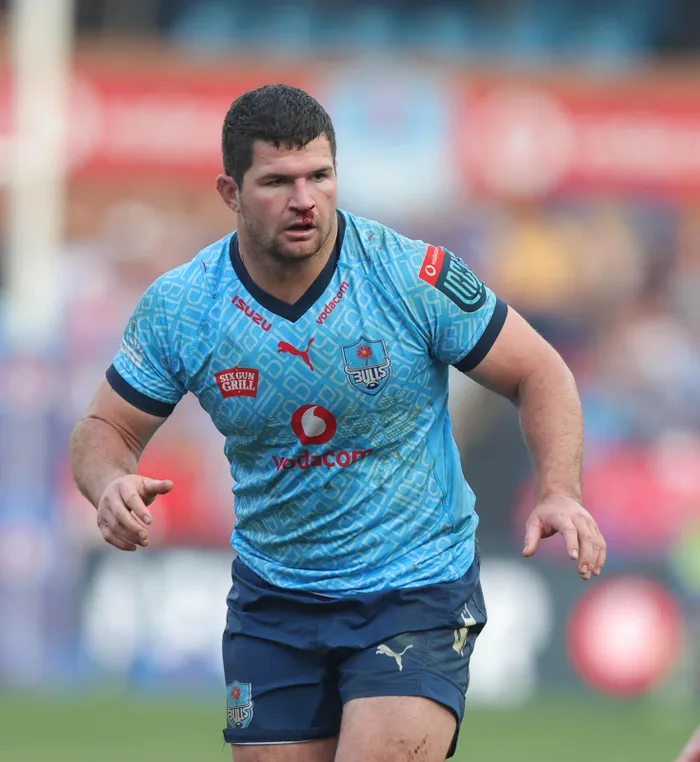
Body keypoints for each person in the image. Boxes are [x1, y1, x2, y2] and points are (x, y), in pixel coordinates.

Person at [70, 84, 607, 762]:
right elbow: (105, 429)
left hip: (413, 587)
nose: (305, 199)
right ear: (231, 193)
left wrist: (559, 490)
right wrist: (109, 482)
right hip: (274, 599)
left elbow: (540, 371)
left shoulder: (409, 276)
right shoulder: (183, 307)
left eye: (319, 176)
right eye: (278, 182)